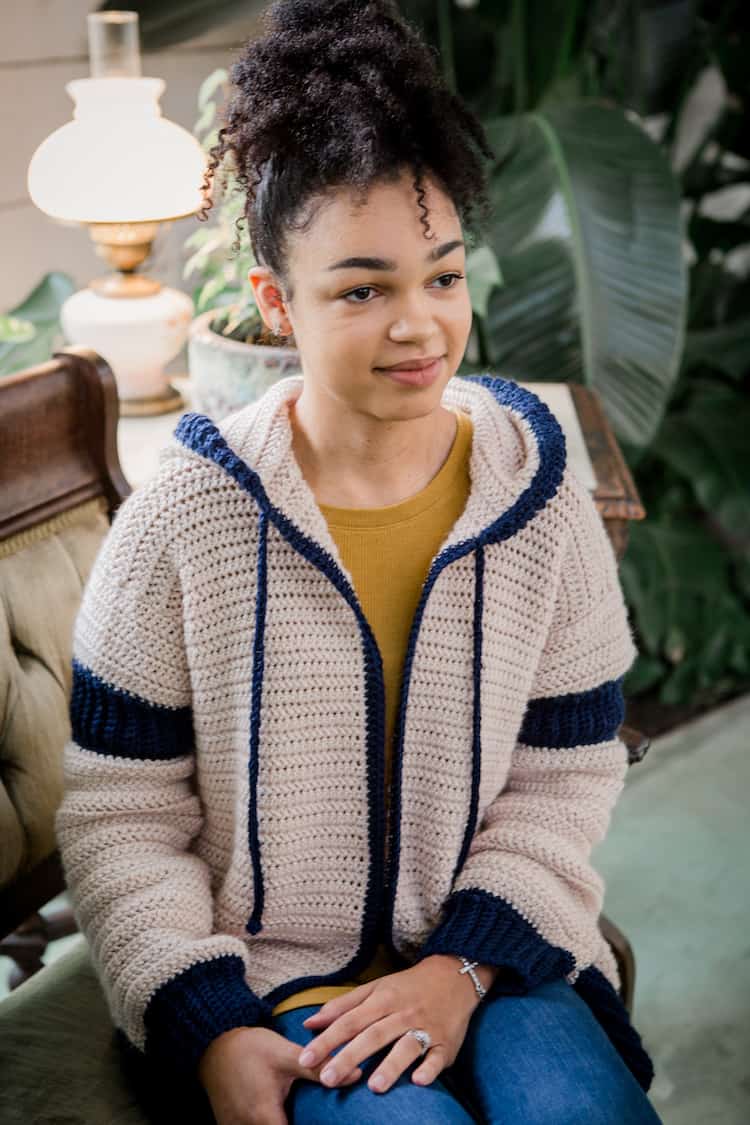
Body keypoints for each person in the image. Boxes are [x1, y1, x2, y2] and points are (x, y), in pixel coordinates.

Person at [55, 1, 663, 1123]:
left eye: (442, 275)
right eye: (363, 289)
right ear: (278, 302)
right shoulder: (186, 520)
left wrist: (462, 967)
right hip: (271, 986)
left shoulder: (538, 491)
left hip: (490, 958)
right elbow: (119, 817)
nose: (421, 326)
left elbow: (565, 774)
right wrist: (208, 1028)